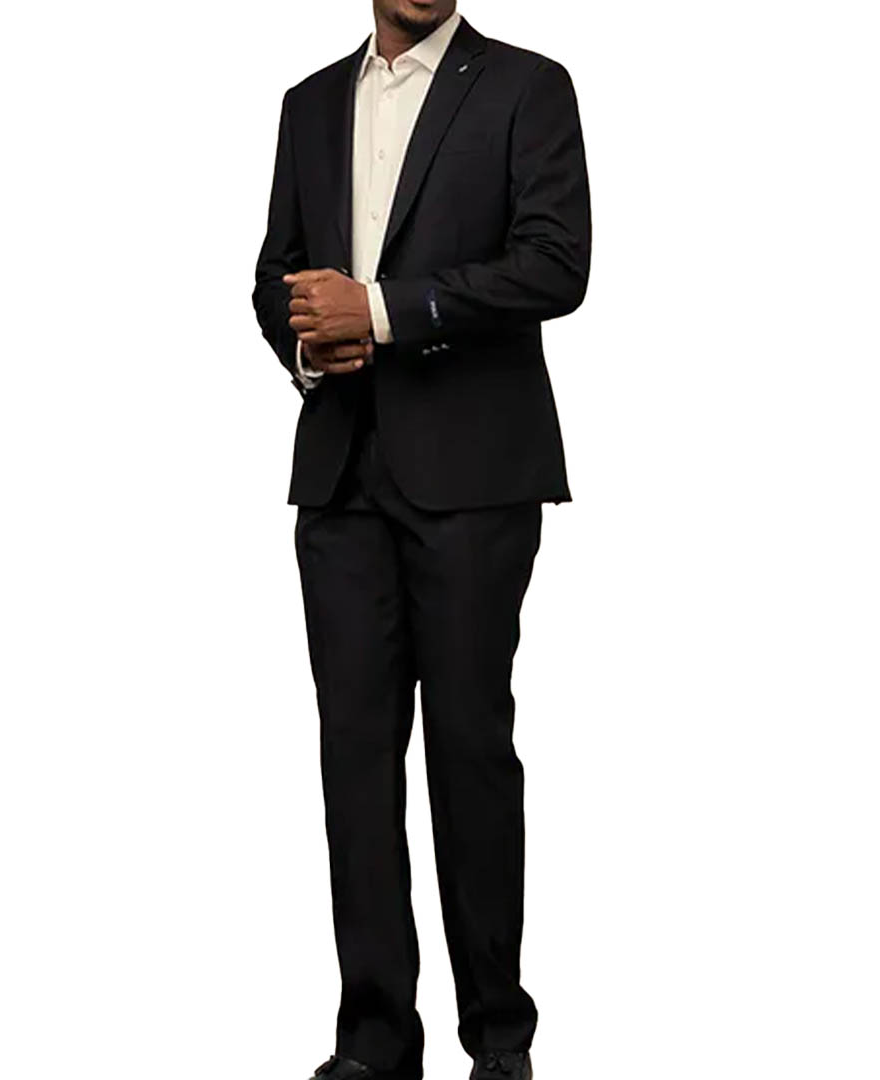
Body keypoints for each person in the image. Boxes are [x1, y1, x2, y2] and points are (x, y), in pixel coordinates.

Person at [252, 3, 591, 1078]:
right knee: (354, 762)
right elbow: (276, 274)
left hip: (475, 478)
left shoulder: (528, 87)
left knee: (468, 751)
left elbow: (556, 265)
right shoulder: (309, 104)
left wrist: (385, 311)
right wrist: (310, 343)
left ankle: (498, 1040)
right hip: (341, 477)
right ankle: (373, 1042)